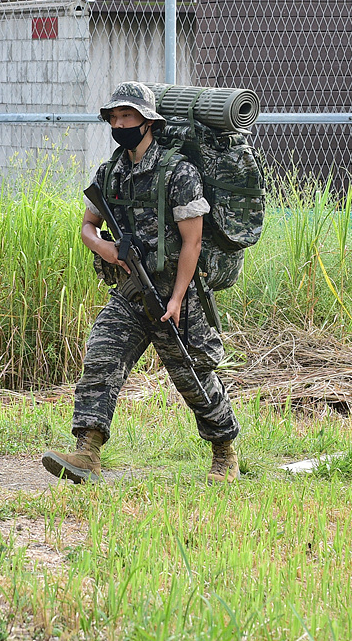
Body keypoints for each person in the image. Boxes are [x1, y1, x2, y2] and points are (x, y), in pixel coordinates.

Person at [41, 82, 240, 485]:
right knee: (101, 355)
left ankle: (225, 452)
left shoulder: (178, 173)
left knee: (194, 378)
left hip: (173, 294)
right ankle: (88, 452)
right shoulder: (110, 172)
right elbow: (86, 227)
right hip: (131, 292)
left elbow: (193, 241)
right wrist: (106, 249)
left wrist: (179, 298)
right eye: (114, 117)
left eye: (127, 116)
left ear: (148, 122)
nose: (119, 123)